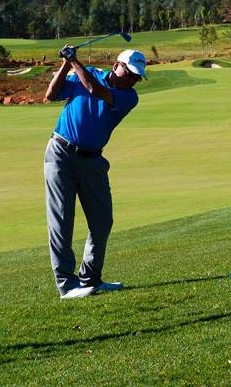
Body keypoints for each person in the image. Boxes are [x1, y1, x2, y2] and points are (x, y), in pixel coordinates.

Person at [43, 46, 146, 299]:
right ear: (116, 66)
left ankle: (91, 279)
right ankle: (67, 285)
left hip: (93, 161)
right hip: (60, 153)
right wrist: (66, 64)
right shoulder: (84, 73)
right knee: (62, 221)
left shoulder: (129, 97)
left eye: (137, 76)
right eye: (130, 73)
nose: (133, 79)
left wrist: (74, 61)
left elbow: (95, 90)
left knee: (102, 221)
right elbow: (51, 94)